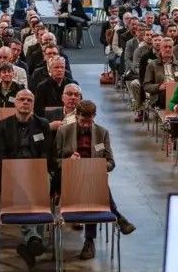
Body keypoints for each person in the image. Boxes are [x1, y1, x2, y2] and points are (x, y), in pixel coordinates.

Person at [53, 101, 135, 260]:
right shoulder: (63, 132)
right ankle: (117, 216)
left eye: (88, 122)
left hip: (92, 178)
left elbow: (111, 162)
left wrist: (99, 166)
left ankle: (89, 241)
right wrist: (68, 161)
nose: (85, 125)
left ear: (94, 117)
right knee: (97, 187)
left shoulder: (102, 133)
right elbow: (53, 161)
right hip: (69, 178)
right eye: (82, 121)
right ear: (76, 116)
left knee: (95, 186)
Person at [0, 90, 54, 268]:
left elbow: (46, 152)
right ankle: (34, 240)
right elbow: (0, 155)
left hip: (37, 171)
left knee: (44, 182)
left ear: (33, 104)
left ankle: (32, 242)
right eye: (21, 99)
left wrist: (36, 170)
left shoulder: (43, 124)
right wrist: (17, 171)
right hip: (11, 172)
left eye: (29, 100)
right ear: (15, 103)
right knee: (23, 190)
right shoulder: (2, 126)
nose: (25, 102)